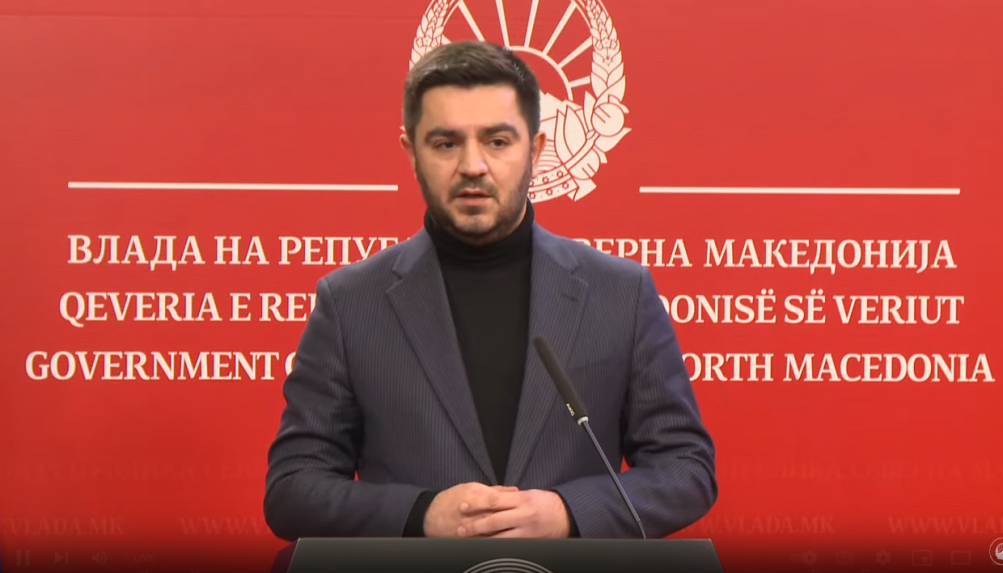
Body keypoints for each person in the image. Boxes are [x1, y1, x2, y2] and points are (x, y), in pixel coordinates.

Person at [263, 40, 716, 540]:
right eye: (446, 143)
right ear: (411, 153)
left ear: (536, 150)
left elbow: (685, 467)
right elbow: (293, 489)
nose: (473, 165)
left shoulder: (620, 293)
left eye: (497, 141)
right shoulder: (350, 303)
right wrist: (420, 514)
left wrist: (569, 513)